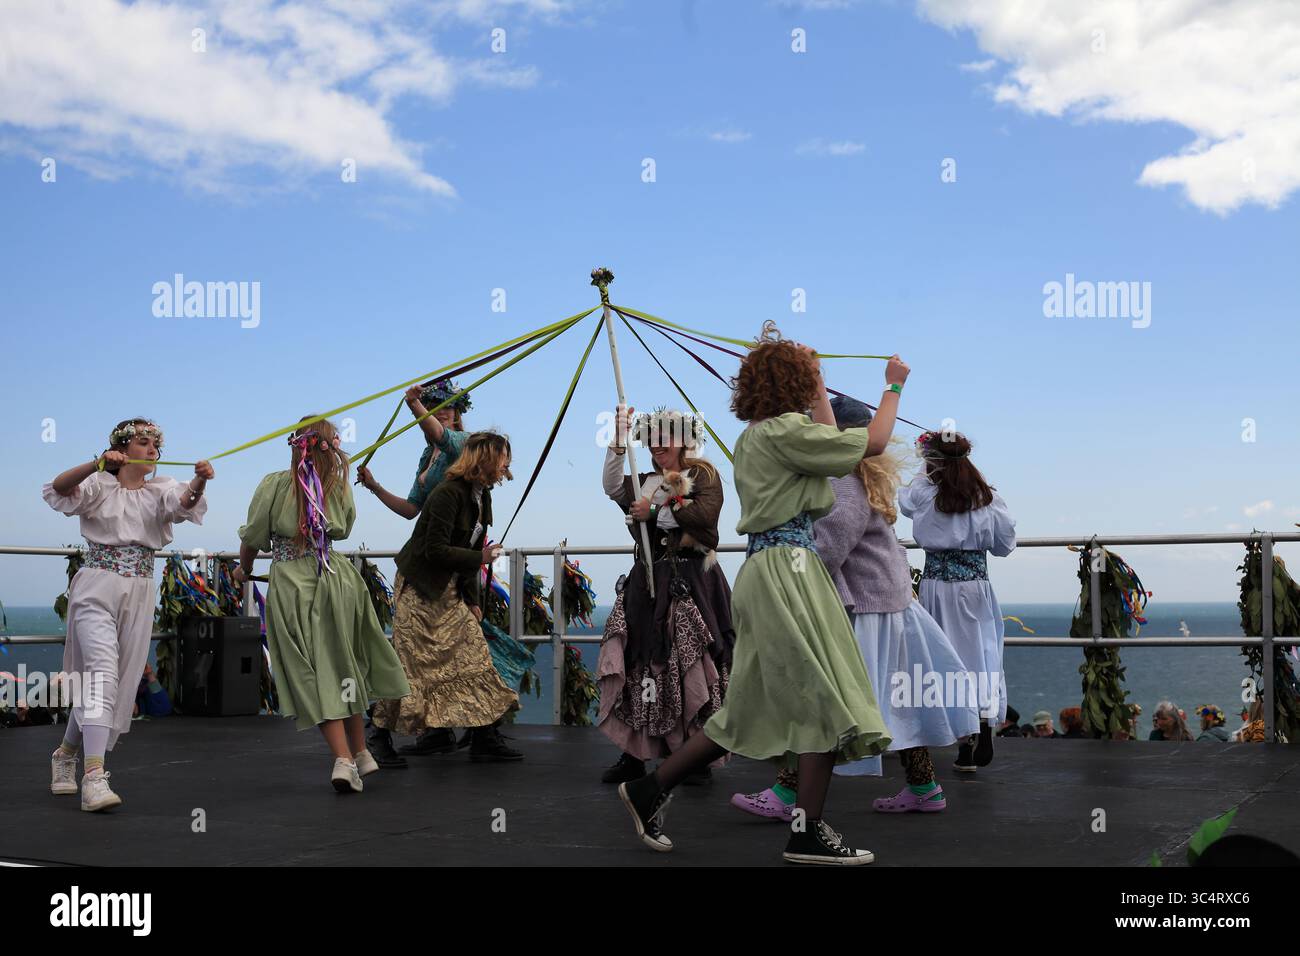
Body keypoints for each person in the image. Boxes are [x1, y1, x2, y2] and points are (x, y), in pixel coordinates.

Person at [616, 323, 906, 865]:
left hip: (776, 568)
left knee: (747, 711)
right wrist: (892, 386)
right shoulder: (785, 434)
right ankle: (807, 832)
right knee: (825, 699)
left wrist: (817, 379)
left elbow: (829, 437)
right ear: (792, 386)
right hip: (789, 573)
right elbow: (871, 443)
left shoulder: (761, 435)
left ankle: (649, 789)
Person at [731, 396, 978, 819]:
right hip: (890, 604)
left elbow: (828, 547)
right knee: (894, 702)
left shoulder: (843, 480)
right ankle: (923, 786)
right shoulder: (865, 477)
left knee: (827, 699)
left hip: (865, 610)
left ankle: (787, 794)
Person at [43, 419, 212, 811]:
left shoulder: (162, 489)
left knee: (109, 680)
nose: (153, 448)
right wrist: (96, 464)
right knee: (101, 673)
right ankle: (94, 777)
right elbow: (60, 487)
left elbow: (185, 504)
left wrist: (200, 481)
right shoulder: (99, 484)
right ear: (121, 448)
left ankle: (65, 753)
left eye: (157, 443)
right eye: (143, 441)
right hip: (96, 587)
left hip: (138, 592)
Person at [235, 417, 410, 793]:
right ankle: (361, 752)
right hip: (336, 580)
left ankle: (343, 760)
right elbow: (343, 528)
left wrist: (242, 570)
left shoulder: (273, 486)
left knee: (309, 671)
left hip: (293, 585)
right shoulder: (338, 486)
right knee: (342, 663)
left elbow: (252, 538)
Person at [595, 404, 734, 784]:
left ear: (684, 441)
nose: (657, 446)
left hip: (692, 580)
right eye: (652, 439)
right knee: (641, 660)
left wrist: (653, 512)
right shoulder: (643, 479)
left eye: (665, 439)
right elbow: (611, 487)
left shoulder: (703, 474)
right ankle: (634, 753)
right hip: (647, 580)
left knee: (689, 662)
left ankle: (693, 755)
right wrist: (618, 442)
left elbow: (705, 517)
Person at [369, 431, 523, 762]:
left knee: (474, 655)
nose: (507, 464)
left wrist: (473, 599)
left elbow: (470, 547)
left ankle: (482, 735)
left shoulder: (480, 496)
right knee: (410, 664)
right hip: (421, 588)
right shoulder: (447, 494)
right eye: (502, 457)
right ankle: (378, 737)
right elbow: (434, 550)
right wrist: (479, 560)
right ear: (484, 460)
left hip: (449, 589)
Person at [357, 380, 470, 764]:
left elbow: (436, 431)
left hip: (450, 569)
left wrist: (414, 404)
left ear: (458, 412)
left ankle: (442, 730)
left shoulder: (462, 445)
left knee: (458, 648)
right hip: (424, 568)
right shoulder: (429, 457)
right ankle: (380, 733)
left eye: (447, 406)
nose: (440, 410)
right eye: (435, 404)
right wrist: (373, 487)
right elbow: (410, 509)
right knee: (411, 651)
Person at [900, 430, 1015, 772]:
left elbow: (905, 500)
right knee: (982, 655)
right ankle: (984, 721)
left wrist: (925, 467)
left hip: (937, 585)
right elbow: (1005, 545)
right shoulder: (987, 499)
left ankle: (962, 743)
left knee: (945, 660)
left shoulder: (925, 494)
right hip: (976, 586)